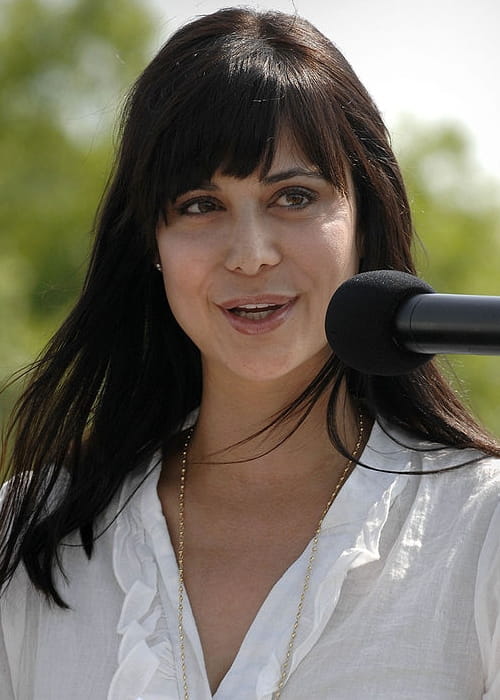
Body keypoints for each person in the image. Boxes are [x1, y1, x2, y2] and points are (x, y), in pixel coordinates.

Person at [1, 7, 499, 699]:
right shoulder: (27, 537)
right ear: (152, 243)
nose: (251, 254)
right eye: (201, 205)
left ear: (366, 220)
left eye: (294, 196)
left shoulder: (480, 533)